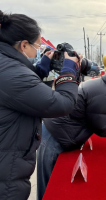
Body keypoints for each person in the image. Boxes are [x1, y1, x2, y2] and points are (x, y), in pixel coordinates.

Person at [0, 11, 81, 200]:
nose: (37, 52)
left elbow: (21, 91)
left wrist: (40, 69)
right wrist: (69, 71)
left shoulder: (7, 65)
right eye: (37, 46)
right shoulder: (12, 73)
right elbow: (63, 104)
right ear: (24, 45)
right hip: (6, 172)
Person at [37, 55, 106, 200]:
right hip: (55, 136)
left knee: (52, 183)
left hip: (57, 131)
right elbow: (104, 128)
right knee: (49, 187)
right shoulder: (102, 92)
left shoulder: (102, 87)